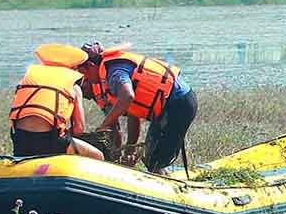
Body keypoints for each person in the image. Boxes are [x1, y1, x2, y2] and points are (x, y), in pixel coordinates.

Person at [79, 43, 198, 176]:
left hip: (178, 103)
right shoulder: (106, 76)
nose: (86, 79)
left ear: (91, 66)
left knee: (156, 160)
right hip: (167, 107)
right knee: (150, 156)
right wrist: (129, 150)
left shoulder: (114, 73)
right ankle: (163, 176)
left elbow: (127, 96)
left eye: (84, 74)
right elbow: (133, 115)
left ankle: (171, 190)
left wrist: (103, 126)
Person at [10, 44, 105, 160]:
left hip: (20, 140)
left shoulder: (26, 80)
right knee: (98, 156)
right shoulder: (74, 87)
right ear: (73, 68)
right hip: (51, 142)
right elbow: (79, 128)